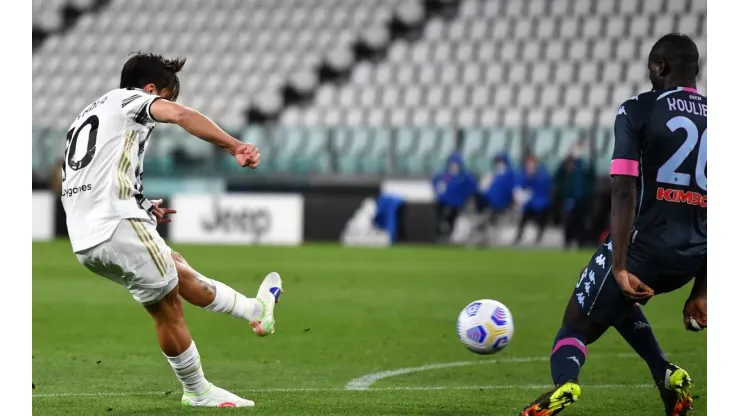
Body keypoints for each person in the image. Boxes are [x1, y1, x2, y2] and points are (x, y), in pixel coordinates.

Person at [60, 53, 283, 408]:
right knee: (167, 307)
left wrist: (142, 204)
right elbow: (181, 116)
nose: (165, 106)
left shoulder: (88, 115)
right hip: (117, 224)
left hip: (84, 238)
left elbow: (90, 176)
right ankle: (197, 391)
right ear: (150, 89)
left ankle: (256, 311)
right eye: (164, 96)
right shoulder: (132, 100)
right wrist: (234, 145)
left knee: (174, 266)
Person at [521, 33, 706, 416]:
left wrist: (620, 265)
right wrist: (702, 289)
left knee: (576, 322)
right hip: (692, 257)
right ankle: (666, 374)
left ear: (661, 68)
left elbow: (623, 189)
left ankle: (566, 383)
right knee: (615, 302)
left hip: (644, 249)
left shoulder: (637, 110)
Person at [554, 145, 595, 249]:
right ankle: (568, 241)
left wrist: (589, 190)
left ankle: (581, 241)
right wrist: (564, 189)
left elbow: (591, 177)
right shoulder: (567, 163)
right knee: (569, 220)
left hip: (583, 197)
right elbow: (558, 177)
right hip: (570, 197)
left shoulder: (585, 163)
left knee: (582, 220)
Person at [431, 152, 477, 241]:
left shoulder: (464, 176)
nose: (454, 166)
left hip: (458, 205)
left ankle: (451, 236)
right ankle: (441, 236)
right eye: (452, 164)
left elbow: (471, 187)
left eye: (456, 164)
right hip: (444, 203)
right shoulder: (446, 175)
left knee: (453, 220)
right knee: (442, 219)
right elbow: (439, 186)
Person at [513, 155, 552, 245]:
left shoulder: (543, 175)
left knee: (541, 217)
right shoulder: (525, 174)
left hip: (541, 202)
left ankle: (538, 237)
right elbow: (523, 186)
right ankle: (519, 236)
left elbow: (546, 188)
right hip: (531, 203)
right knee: (524, 218)